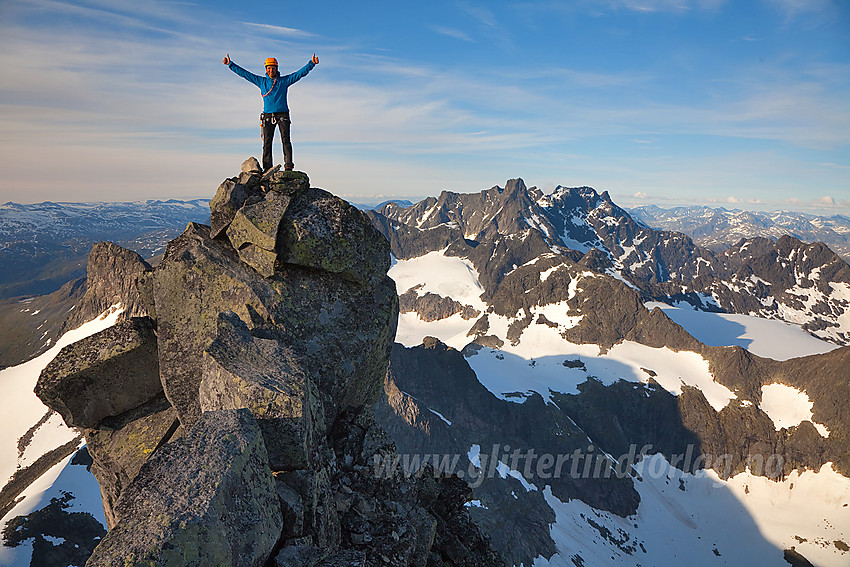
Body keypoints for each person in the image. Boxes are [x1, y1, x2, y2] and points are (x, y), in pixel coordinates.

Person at [223, 53, 319, 172]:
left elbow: (299, 74)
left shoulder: (284, 81)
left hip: (283, 115)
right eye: (268, 68)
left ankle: (288, 165)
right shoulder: (261, 81)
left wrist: (312, 64)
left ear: (276, 69)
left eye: (273, 68)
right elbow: (245, 74)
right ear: (266, 69)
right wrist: (230, 64)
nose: (270, 70)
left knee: (286, 140)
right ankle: (267, 168)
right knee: (267, 143)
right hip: (268, 116)